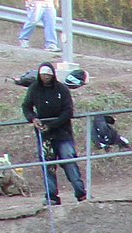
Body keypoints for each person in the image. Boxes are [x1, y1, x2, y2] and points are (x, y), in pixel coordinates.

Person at [21, 62, 86, 206]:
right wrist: (33, 118)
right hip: (44, 135)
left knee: (68, 160)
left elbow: (68, 111)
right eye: (43, 75)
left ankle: (80, 192)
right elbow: (26, 106)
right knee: (48, 165)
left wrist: (52, 125)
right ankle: (52, 196)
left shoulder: (62, 89)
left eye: (48, 75)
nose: (45, 78)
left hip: (62, 133)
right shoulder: (34, 89)